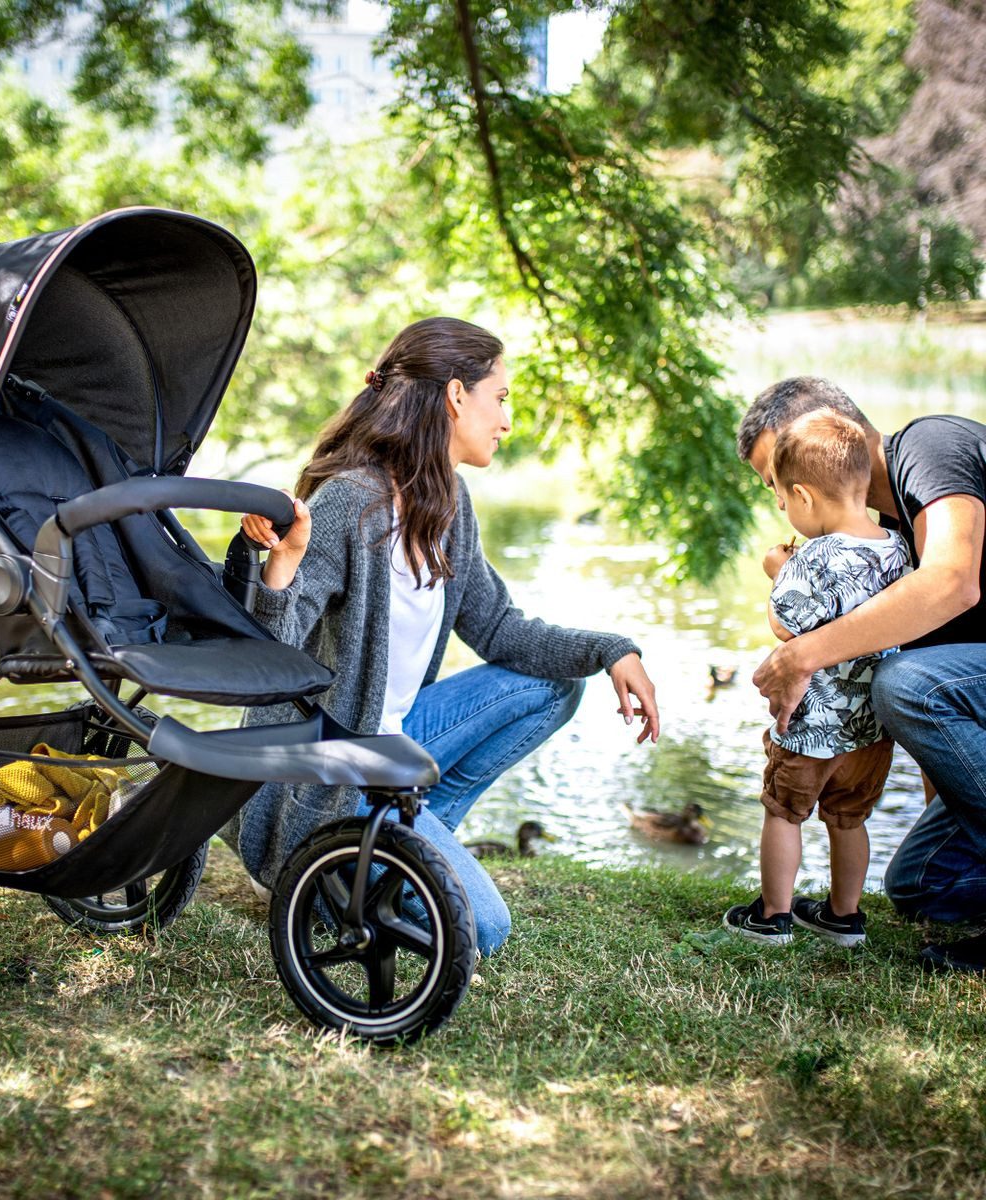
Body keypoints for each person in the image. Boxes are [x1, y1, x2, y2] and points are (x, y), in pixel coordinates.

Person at [225, 316, 659, 957]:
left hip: (393, 748)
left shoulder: (447, 501)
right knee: (485, 929)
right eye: (500, 398)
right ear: (456, 395)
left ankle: (408, 853)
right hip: (332, 775)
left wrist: (612, 650)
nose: (506, 420)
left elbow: (500, 629)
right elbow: (270, 662)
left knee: (555, 687)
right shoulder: (350, 501)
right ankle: (341, 874)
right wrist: (281, 564)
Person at [738, 378, 986, 971]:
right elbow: (938, 684)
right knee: (919, 885)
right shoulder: (887, 541)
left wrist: (803, 654)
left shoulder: (930, 446)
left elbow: (953, 582)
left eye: (775, 478)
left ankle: (773, 913)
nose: (779, 501)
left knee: (902, 683)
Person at [723, 409, 910, 946]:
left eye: (782, 496)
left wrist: (778, 571)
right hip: (871, 732)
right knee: (849, 819)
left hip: (811, 731)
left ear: (803, 496)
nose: (782, 506)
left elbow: (787, 624)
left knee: (784, 812)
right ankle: (843, 916)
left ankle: (773, 915)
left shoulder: (816, 555)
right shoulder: (897, 546)